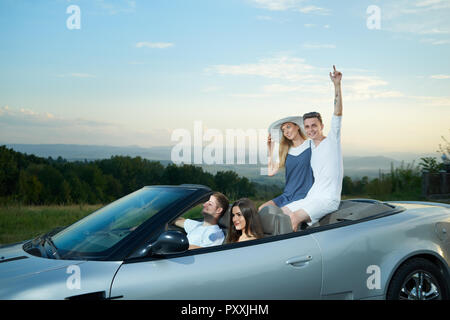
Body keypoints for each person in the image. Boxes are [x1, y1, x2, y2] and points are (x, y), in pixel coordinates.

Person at [282, 65, 344, 231]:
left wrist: (337, 85)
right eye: (307, 126)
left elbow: (337, 112)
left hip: (328, 199)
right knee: (281, 214)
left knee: (293, 218)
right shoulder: (309, 145)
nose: (311, 130)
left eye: (314, 125)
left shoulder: (332, 140)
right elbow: (291, 136)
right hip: (311, 197)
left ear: (322, 125)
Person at [258, 116, 314, 212]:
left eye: (288, 127)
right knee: (261, 209)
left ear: (297, 127)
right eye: (283, 130)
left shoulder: (311, 145)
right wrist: (270, 150)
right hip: (287, 196)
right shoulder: (286, 151)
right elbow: (270, 172)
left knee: (279, 216)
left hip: (304, 196)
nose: (286, 132)